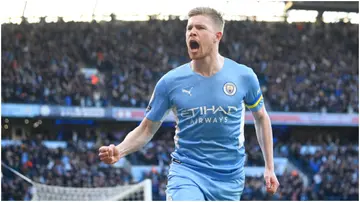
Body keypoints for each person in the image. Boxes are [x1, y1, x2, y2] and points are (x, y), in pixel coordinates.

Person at [98, 7, 280, 200]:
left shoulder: (244, 76)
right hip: (187, 172)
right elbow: (146, 129)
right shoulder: (170, 83)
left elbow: (261, 118)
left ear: (217, 36)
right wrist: (120, 150)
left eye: (200, 27)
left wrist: (269, 167)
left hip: (229, 178)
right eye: (189, 28)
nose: (192, 32)